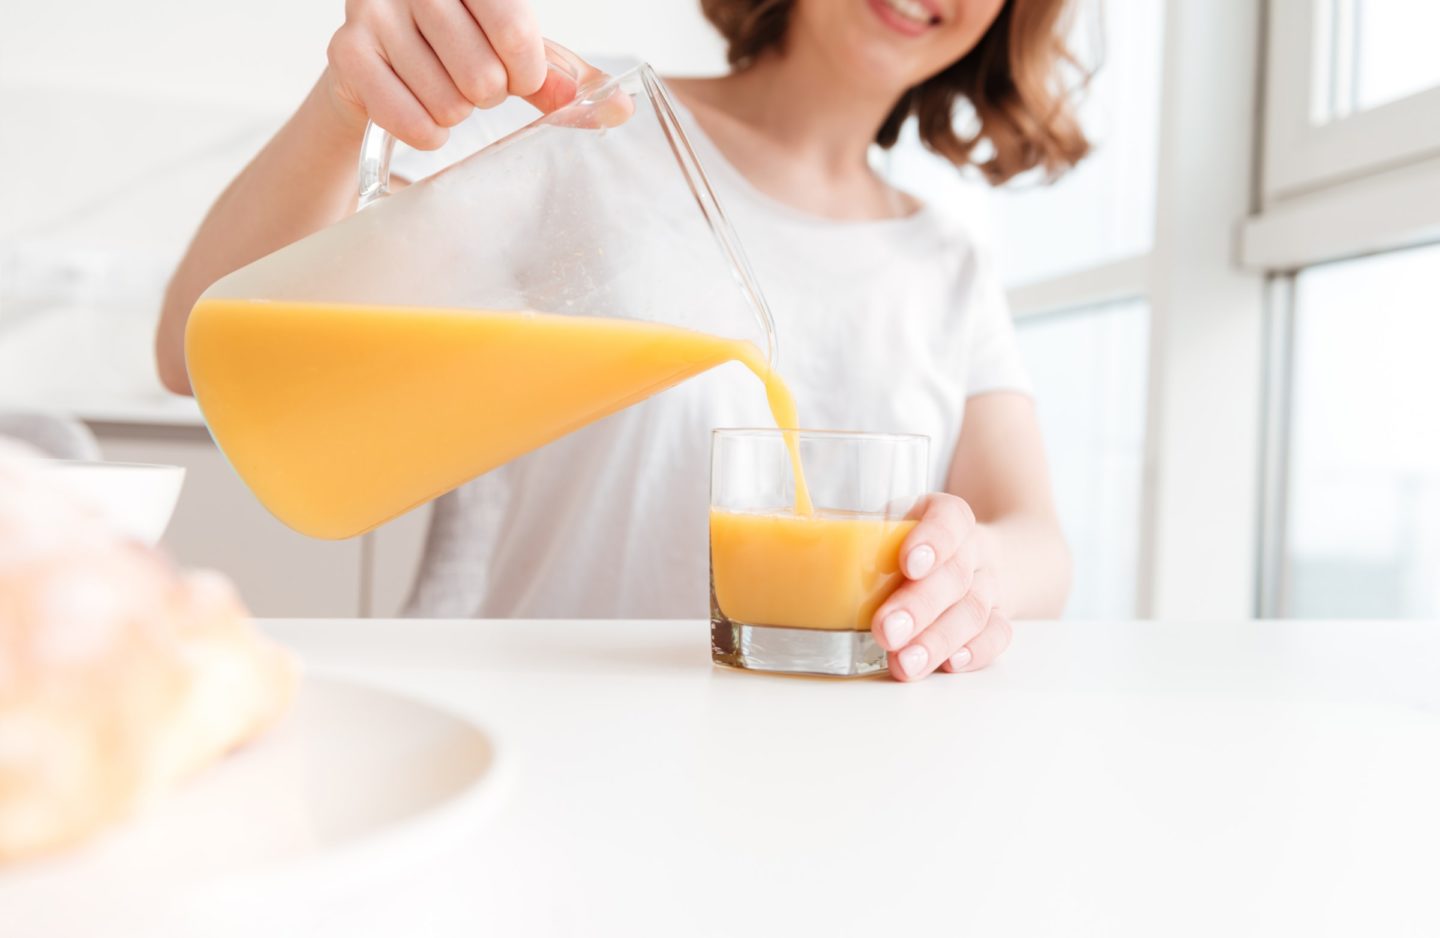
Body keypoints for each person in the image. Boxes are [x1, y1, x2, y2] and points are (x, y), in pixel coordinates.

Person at [155, 0, 1086, 681]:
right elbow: (193, 349)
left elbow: (1037, 538)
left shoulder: (948, 262)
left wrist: (970, 572)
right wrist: (347, 102)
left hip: (814, 774)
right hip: (531, 731)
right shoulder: (590, 125)